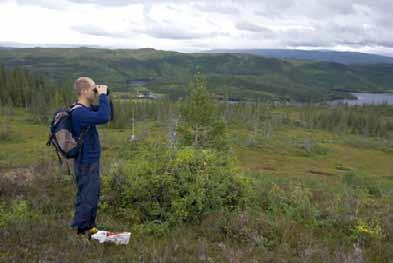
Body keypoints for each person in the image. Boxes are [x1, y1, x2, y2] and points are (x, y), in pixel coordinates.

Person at [68, 76, 111, 239]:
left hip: (89, 161)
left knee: (91, 195)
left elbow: (107, 113)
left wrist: (105, 95)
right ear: (84, 91)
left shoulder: (85, 110)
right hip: (86, 163)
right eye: (93, 89)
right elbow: (104, 117)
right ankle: (81, 231)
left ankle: (90, 228)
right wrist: (103, 96)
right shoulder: (79, 113)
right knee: (87, 196)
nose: (95, 91)